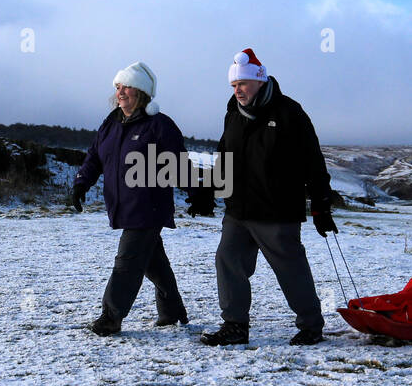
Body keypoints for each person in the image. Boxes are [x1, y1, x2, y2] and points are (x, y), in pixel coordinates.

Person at [200, 48, 338, 346]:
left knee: (290, 269)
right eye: (234, 86)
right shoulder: (233, 115)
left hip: (277, 211)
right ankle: (235, 325)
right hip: (238, 209)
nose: (238, 91)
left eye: (243, 84)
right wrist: (211, 194)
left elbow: (312, 161)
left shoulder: (289, 113)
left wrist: (321, 205)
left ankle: (311, 325)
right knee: (228, 260)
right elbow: (224, 158)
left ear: (260, 81)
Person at [70, 61, 190, 335]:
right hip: (123, 206)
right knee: (152, 261)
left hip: (149, 205)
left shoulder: (159, 125)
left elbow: (178, 164)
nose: (121, 92)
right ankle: (171, 310)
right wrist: (81, 183)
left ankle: (110, 317)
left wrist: (197, 194)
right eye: (118, 87)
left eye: (127, 87)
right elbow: (94, 157)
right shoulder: (111, 123)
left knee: (127, 261)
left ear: (142, 93)